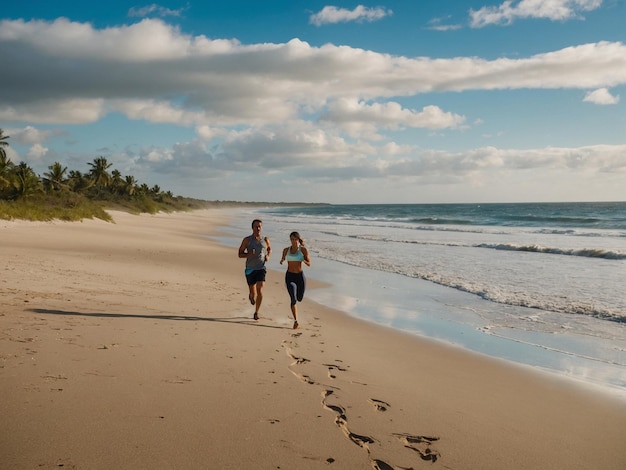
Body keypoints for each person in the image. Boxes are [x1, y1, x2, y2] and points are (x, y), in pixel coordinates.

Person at [238, 219, 271, 320]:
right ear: (252, 228)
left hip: (261, 268)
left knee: (260, 290)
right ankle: (251, 296)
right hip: (250, 269)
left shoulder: (265, 239)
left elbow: (269, 248)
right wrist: (249, 254)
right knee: (253, 294)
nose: (258, 228)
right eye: (256, 226)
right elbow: (240, 254)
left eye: (260, 226)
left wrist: (268, 256)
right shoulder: (247, 240)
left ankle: (256, 312)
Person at [279, 231, 311, 329]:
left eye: (295, 239)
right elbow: (283, 258)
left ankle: (297, 303)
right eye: (291, 239)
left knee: (299, 298)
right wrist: (281, 260)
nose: (293, 241)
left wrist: (303, 260)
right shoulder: (286, 250)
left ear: (298, 239)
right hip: (290, 276)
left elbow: (309, 263)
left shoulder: (303, 250)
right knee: (293, 298)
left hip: (300, 277)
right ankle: (296, 321)